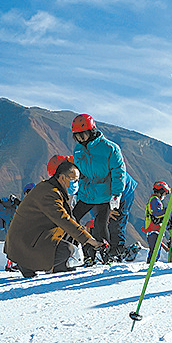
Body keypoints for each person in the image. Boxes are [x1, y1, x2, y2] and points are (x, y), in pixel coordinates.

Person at [5, 160, 108, 277]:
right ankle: (28, 265)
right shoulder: (49, 194)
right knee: (66, 250)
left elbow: (70, 219)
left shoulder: (52, 189)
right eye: (74, 180)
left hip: (30, 236)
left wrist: (86, 239)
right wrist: (92, 241)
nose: (76, 184)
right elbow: (64, 220)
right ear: (62, 178)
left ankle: (59, 267)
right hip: (24, 243)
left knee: (68, 238)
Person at [70, 114, 127, 266]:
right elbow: (78, 173)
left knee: (100, 224)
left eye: (83, 135)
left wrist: (116, 195)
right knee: (71, 219)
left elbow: (118, 172)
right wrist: (75, 192)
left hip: (104, 195)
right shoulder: (78, 150)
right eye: (77, 136)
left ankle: (106, 254)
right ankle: (82, 251)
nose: (81, 139)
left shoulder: (110, 148)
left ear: (92, 130)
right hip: (86, 194)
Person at [143, 180, 171, 262]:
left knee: (155, 252)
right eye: (165, 193)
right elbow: (156, 214)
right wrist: (167, 209)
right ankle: (150, 267)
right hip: (153, 230)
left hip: (153, 230)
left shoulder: (154, 200)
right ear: (161, 191)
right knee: (155, 253)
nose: (165, 195)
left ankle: (150, 265)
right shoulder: (155, 200)